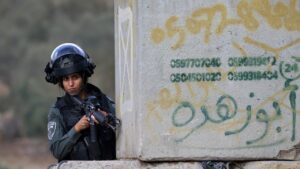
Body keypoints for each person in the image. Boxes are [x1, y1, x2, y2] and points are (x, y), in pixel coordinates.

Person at [44, 43, 118, 161]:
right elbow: (57, 150)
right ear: (60, 81)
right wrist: (77, 128)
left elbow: (126, 132)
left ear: (83, 76)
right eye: (66, 79)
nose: (71, 84)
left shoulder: (104, 101)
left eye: (75, 77)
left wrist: (108, 118)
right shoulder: (57, 110)